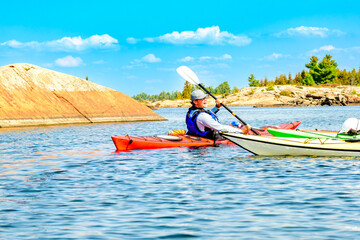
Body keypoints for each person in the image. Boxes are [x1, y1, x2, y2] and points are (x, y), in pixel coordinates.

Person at [186, 89, 251, 140]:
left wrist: (217, 107)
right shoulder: (203, 116)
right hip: (212, 137)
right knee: (235, 124)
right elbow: (220, 128)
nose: (205, 100)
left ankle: (233, 126)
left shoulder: (191, 111)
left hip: (196, 134)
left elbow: (207, 115)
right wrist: (241, 131)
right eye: (202, 99)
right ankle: (238, 128)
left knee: (233, 124)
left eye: (205, 98)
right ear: (195, 101)